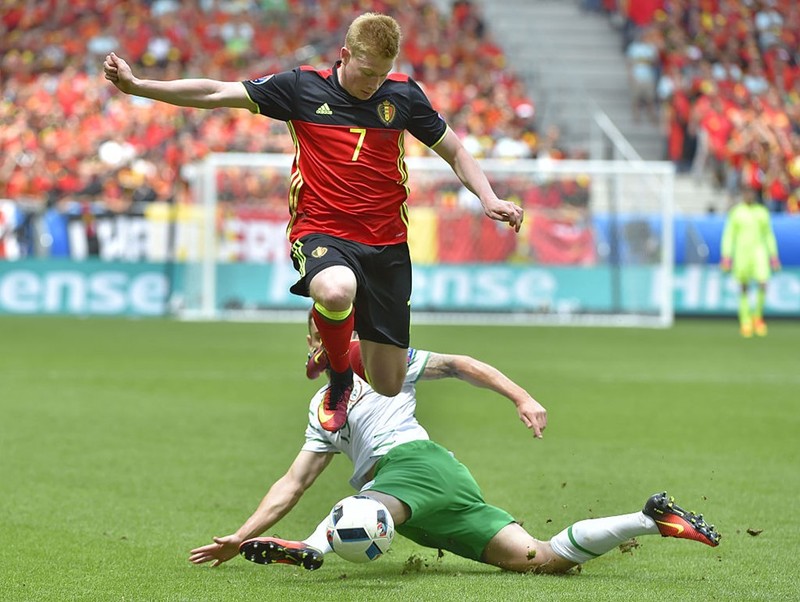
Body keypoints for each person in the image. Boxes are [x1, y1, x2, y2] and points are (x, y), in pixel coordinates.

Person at [103, 12, 524, 433]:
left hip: (387, 244)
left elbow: (454, 151)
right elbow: (216, 92)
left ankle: (335, 346)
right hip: (322, 230)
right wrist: (138, 86)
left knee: (389, 383)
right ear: (345, 55)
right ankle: (339, 380)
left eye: (382, 75)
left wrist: (488, 197)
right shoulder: (301, 88)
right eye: (366, 72)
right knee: (336, 289)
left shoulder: (404, 97)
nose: (373, 83)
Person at [188, 315, 721, 574]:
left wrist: (521, 396)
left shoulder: (379, 364)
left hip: (414, 468)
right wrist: (241, 535)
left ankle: (314, 546)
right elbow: (292, 482)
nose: (317, 340)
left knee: (361, 507)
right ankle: (652, 519)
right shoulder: (321, 408)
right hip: (424, 500)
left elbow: (462, 365)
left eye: (320, 331)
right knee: (539, 559)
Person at [720, 190, 781, 338]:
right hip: (741, 254)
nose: (749, 196)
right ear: (743, 195)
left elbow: (768, 234)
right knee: (743, 286)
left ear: (754, 196)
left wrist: (773, 255)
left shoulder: (762, 212)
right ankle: (745, 320)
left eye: (751, 194)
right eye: (746, 193)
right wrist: (726, 256)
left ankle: (758, 317)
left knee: (763, 282)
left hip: (759, 253)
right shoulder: (736, 213)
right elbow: (729, 235)